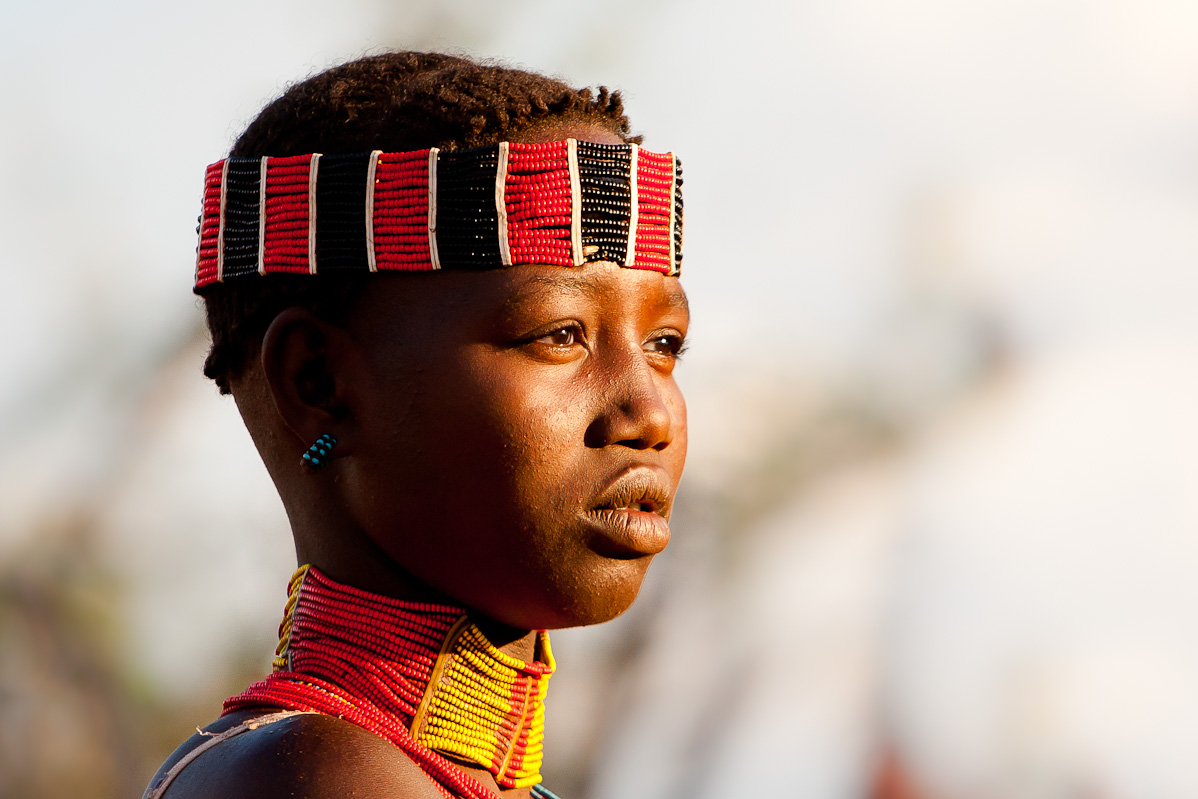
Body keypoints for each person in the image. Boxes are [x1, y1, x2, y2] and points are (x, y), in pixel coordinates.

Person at [143, 51, 688, 799]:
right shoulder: (320, 779)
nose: (650, 414)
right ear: (320, 383)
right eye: (561, 333)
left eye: (665, 346)